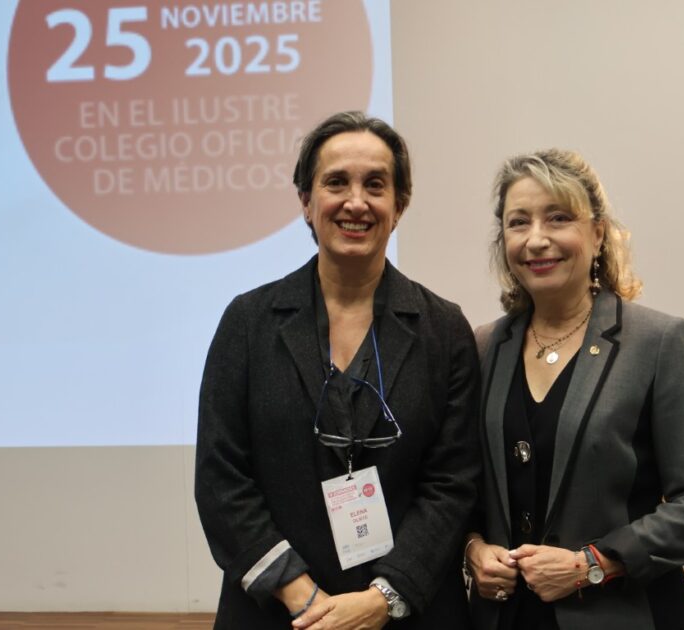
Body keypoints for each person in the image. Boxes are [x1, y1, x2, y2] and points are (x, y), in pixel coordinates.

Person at [196, 111, 480, 630]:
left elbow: (453, 483)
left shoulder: (444, 329)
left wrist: (381, 600)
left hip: (406, 613)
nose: (356, 202)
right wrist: (303, 598)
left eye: (375, 184)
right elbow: (221, 480)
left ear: (400, 205)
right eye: (336, 183)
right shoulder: (249, 323)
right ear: (306, 201)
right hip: (278, 614)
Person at [465, 149, 684, 630]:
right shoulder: (485, 346)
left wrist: (592, 564)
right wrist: (472, 549)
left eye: (558, 218)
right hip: (506, 617)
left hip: (623, 614)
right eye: (518, 222)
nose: (537, 239)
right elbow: (462, 487)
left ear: (598, 233)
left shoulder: (657, 341)